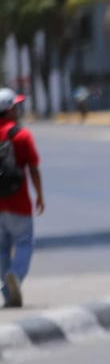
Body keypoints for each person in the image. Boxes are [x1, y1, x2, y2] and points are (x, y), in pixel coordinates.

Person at [0, 88, 43, 308]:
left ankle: (8, 295)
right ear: (9, 110)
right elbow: (33, 168)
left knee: (1, 249)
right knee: (24, 243)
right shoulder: (22, 135)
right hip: (19, 203)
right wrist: (40, 196)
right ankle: (15, 276)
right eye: (15, 106)